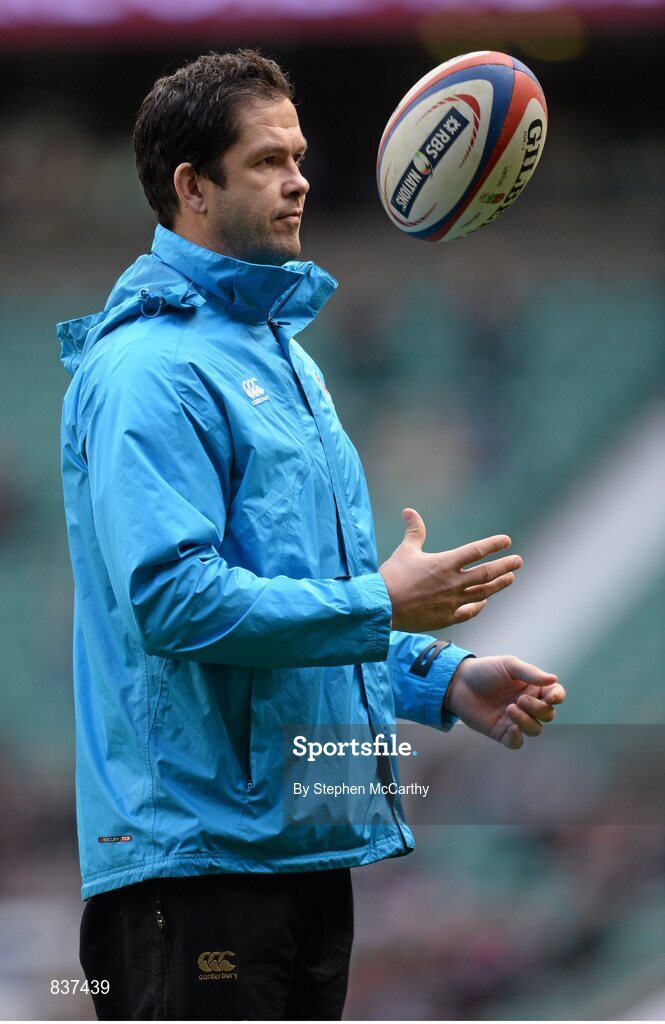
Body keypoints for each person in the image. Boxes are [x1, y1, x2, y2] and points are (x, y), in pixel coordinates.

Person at [57, 49, 565, 1021]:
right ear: (190, 187)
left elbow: (293, 618)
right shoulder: (148, 373)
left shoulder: (282, 360)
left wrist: (437, 678)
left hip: (294, 848)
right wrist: (383, 600)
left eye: (297, 154)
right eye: (264, 161)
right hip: (194, 866)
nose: (298, 178)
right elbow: (176, 603)